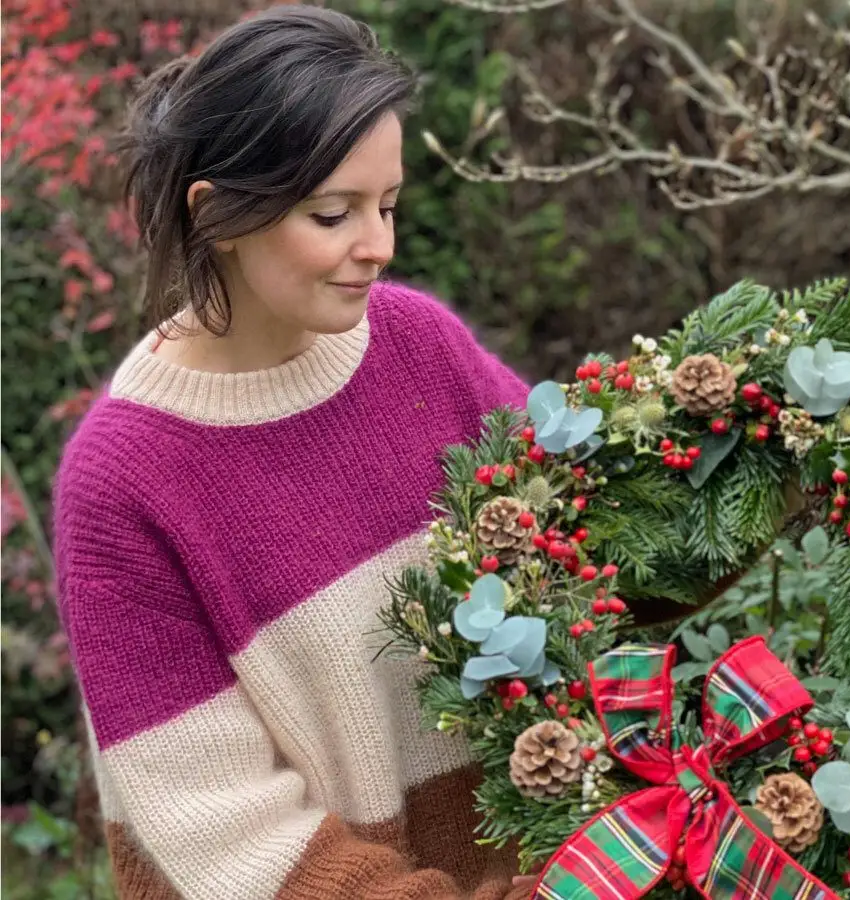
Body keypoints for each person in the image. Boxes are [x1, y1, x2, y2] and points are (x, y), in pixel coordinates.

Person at [52, 6, 536, 898]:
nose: (379, 246)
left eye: (387, 205)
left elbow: (594, 543)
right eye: (333, 213)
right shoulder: (124, 487)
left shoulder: (419, 345)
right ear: (218, 215)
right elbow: (231, 836)